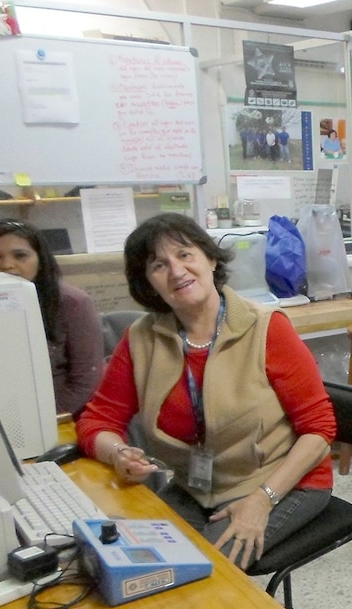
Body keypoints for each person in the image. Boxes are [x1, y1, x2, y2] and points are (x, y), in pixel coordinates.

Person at [75, 213, 336, 571]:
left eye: (185, 254)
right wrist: (118, 453)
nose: (177, 271)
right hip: (195, 487)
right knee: (126, 561)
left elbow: (319, 429)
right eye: (159, 265)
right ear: (149, 283)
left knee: (194, 575)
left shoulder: (266, 328)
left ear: (210, 259)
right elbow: (98, 420)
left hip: (285, 483)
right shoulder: (140, 339)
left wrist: (263, 500)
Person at [0, 219, 104, 418]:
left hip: (60, 415)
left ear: (40, 259)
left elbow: (85, 381)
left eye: (20, 256)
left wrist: (42, 420)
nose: (6, 265)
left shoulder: (73, 303)